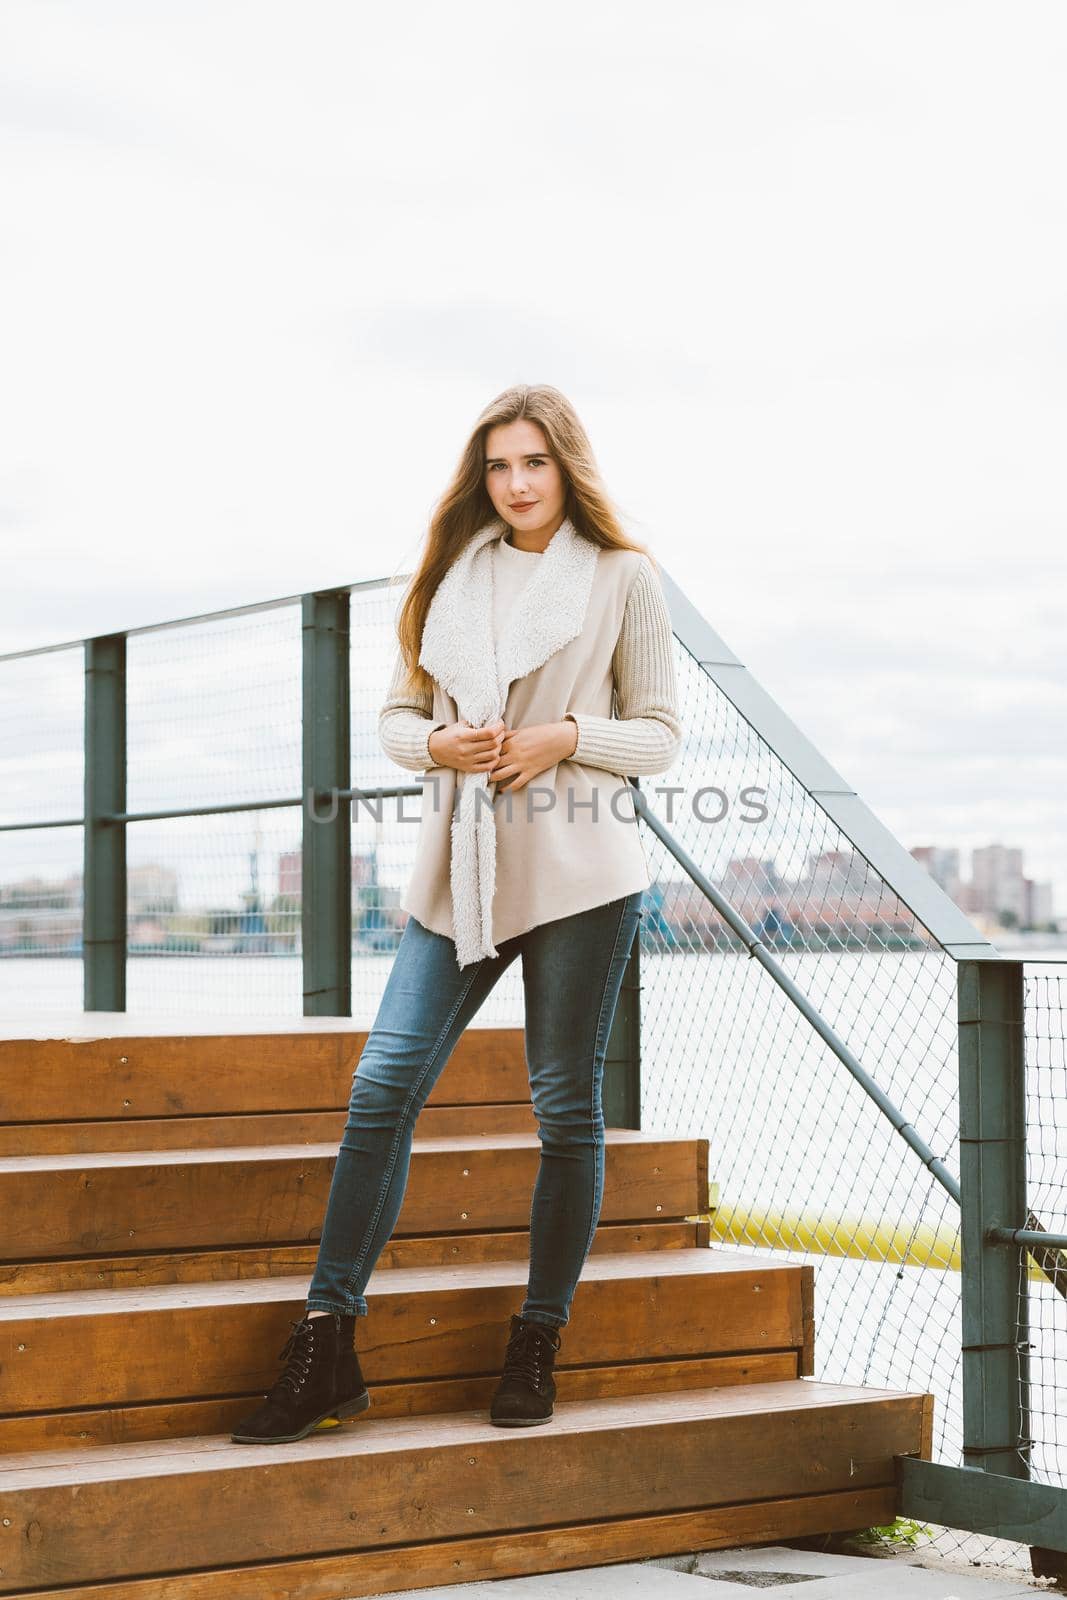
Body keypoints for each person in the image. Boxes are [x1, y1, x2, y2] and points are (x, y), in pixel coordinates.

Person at [231, 383, 683, 1445]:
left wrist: (563, 735)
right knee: (383, 1081)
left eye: (533, 462)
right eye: (497, 465)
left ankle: (537, 1335)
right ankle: (326, 1338)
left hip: (579, 867)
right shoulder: (447, 577)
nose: (516, 483)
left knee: (564, 1107)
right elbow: (396, 714)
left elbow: (658, 734)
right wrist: (433, 746)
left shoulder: (623, 577)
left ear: (567, 467)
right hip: (456, 863)